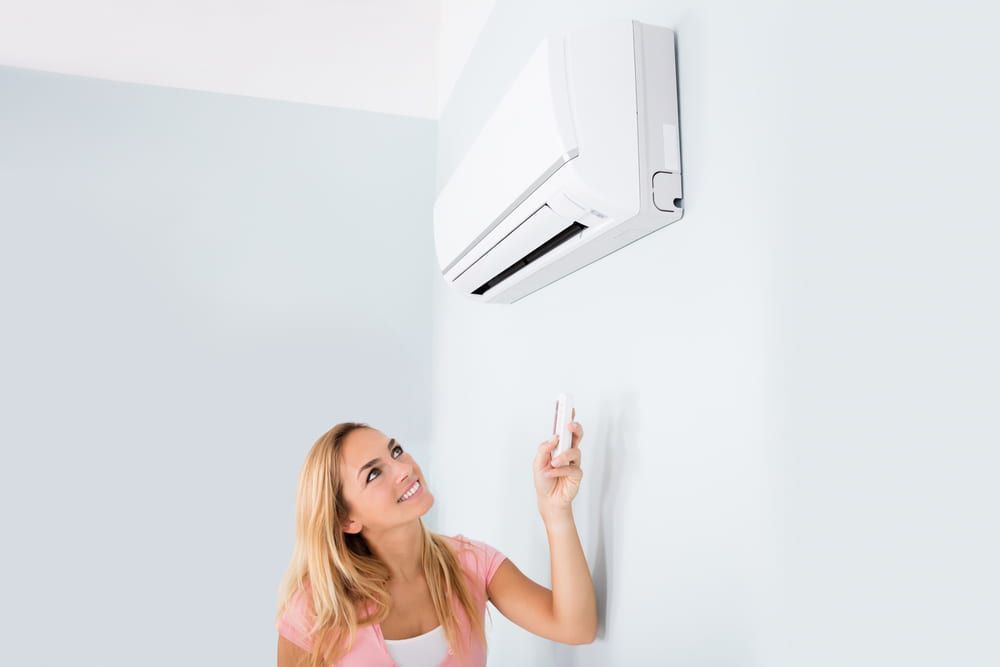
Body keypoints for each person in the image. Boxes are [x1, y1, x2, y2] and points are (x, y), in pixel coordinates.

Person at [275, 417, 597, 666]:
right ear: (347, 520)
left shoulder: (472, 564)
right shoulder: (315, 609)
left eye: (396, 451)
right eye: (374, 474)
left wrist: (555, 512)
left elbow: (575, 626)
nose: (404, 469)